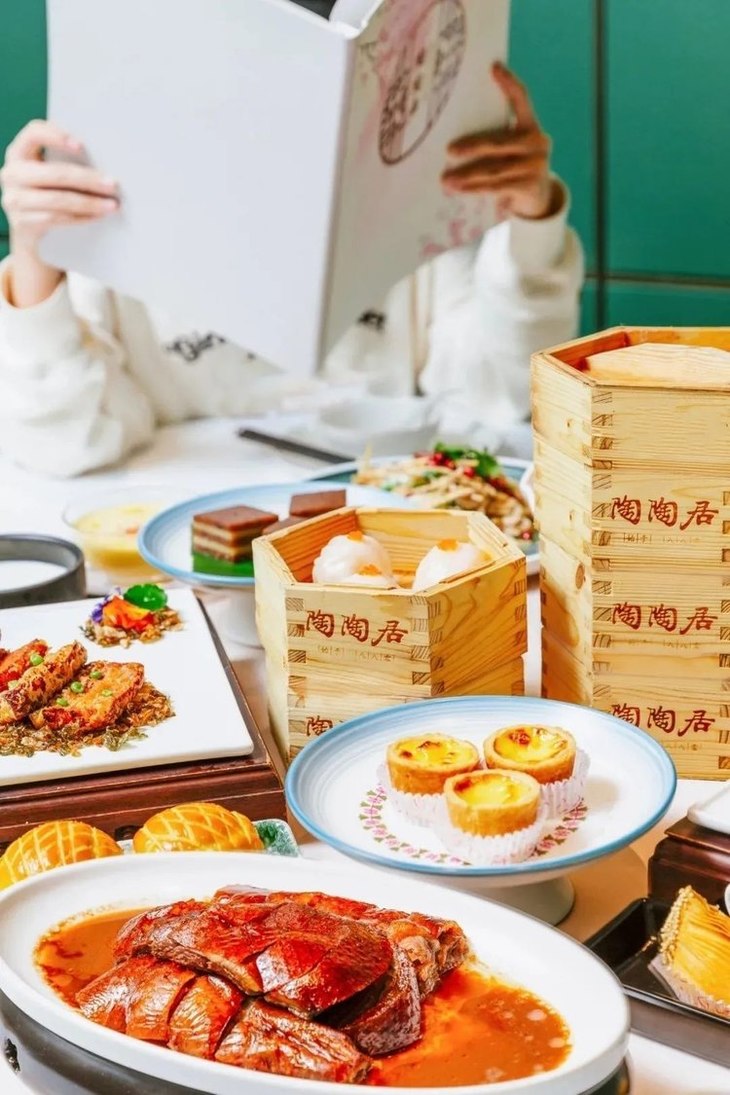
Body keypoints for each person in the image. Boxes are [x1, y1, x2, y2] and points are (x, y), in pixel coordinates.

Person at [0, 63, 583, 478]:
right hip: (176, 540)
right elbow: (68, 442)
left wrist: (530, 219)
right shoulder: (111, 191)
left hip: (385, 526)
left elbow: (497, 396)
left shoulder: (414, 184)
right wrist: (35, 251)